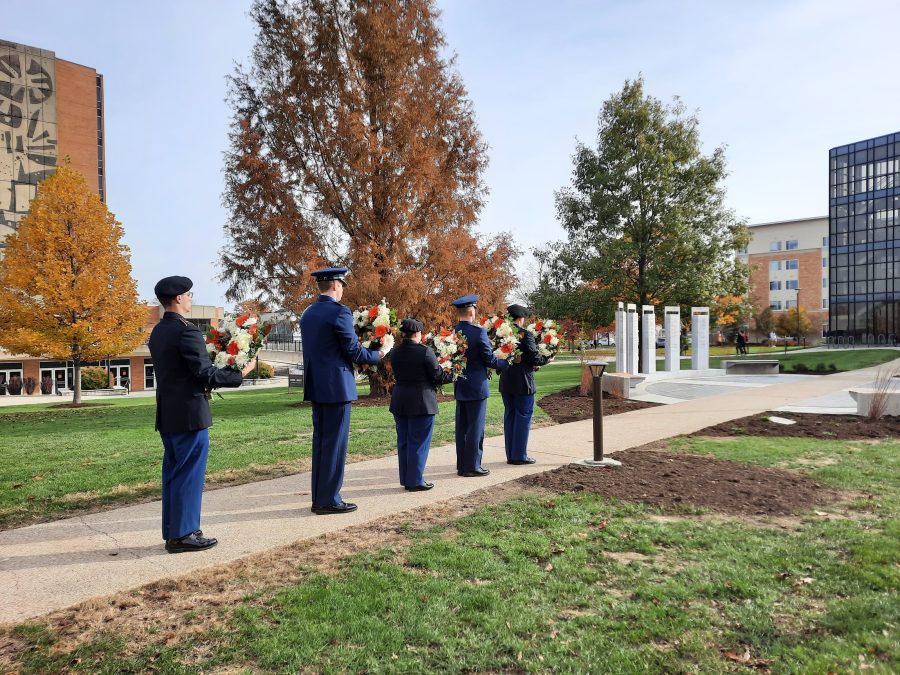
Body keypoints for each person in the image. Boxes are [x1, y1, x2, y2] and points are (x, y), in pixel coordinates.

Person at [148, 276, 256, 553]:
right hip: (189, 414)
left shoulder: (159, 331)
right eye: (189, 294)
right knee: (188, 475)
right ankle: (183, 534)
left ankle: (177, 531)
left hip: (169, 413)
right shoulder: (187, 331)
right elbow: (205, 374)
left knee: (174, 474)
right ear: (179, 299)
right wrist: (241, 373)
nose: (191, 298)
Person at [299, 267, 383, 515]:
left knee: (322, 443)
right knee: (335, 444)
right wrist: (378, 354)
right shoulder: (339, 312)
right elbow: (353, 351)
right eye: (342, 284)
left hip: (317, 385)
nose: (342, 288)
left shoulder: (309, 313)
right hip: (336, 387)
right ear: (335, 285)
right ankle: (328, 500)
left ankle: (320, 497)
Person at [389, 318, 449, 491]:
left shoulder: (395, 351)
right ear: (417, 333)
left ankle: (407, 478)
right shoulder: (425, 352)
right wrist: (452, 373)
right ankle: (415, 480)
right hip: (421, 401)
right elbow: (437, 377)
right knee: (419, 441)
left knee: (404, 441)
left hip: (400, 399)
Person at [452, 294, 508, 477]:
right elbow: (488, 359)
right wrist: (505, 363)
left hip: (460, 384)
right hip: (477, 386)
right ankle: (473, 466)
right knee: (476, 428)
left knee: (462, 428)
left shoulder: (452, 332)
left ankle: (462, 465)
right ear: (472, 312)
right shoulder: (478, 332)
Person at [499, 304, 551, 465]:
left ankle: (511, 454)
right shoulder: (525, 334)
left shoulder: (501, 335)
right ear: (521, 318)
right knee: (522, 418)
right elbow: (534, 358)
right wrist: (548, 358)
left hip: (507, 381)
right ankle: (519, 455)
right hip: (523, 383)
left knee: (510, 417)